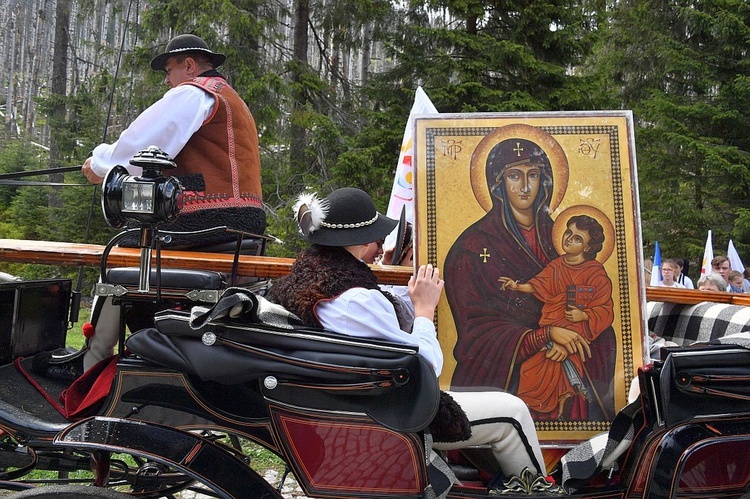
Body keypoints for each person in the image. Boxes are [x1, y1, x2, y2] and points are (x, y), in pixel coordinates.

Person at [267, 187, 553, 489]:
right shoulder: (355, 300)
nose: (381, 246)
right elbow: (425, 364)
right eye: (378, 237)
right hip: (390, 410)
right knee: (514, 412)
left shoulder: (312, 279)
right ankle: (539, 491)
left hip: (355, 400)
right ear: (363, 240)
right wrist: (425, 309)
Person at [80, 34, 265, 371]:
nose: (167, 80)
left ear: (189, 66)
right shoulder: (228, 98)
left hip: (206, 220)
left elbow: (143, 148)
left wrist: (100, 163)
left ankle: (94, 357)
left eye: (169, 69)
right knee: (131, 242)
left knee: (117, 254)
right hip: (241, 222)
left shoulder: (194, 92)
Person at [444, 134, 616, 422]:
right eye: (514, 175)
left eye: (532, 175)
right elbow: (475, 332)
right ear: (498, 184)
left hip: (573, 356)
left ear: (544, 181)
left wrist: (577, 331)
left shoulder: (561, 238)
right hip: (507, 372)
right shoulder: (471, 248)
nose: (525, 186)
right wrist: (545, 336)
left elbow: (596, 303)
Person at [498, 214, 613, 421]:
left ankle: (557, 411)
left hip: (576, 340)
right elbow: (539, 284)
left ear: (588, 247)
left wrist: (584, 314)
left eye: (578, 238)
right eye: (568, 232)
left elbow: (605, 309)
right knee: (529, 369)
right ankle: (529, 415)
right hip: (552, 334)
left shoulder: (596, 273)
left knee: (551, 370)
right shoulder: (557, 266)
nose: (569, 239)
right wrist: (517, 286)